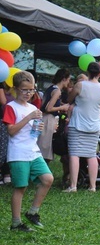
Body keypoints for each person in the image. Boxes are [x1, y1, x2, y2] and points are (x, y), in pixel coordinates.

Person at [2, 70, 54, 231]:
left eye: (31, 90)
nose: (28, 93)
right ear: (16, 89)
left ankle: (33, 212)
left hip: (33, 151)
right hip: (18, 153)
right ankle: (16, 223)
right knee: (21, 188)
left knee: (48, 179)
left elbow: (33, 131)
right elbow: (11, 131)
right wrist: (29, 118)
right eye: (25, 89)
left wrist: (38, 127)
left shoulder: (32, 107)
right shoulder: (11, 107)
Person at [65, 62, 100, 193]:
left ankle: (73, 186)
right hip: (94, 124)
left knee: (74, 154)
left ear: (87, 72)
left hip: (78, 123)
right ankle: (93, 186)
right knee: (91, 155)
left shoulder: (80, 85)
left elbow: (69, 99)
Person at [38, 68, 71, 163]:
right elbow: (49, 108)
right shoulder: (57, 91)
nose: (68, 82)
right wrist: (62, 107)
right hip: (49, 120)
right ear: (64, 78)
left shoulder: (50, 88)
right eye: (68, 79)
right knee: (45, 149)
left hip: (43, 118)